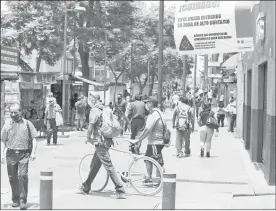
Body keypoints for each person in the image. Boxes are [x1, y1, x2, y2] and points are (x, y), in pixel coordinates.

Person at [79, 95, 126, 199]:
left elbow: (91, 126)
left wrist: (87, 138)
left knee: (108, 165)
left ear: (92, 101)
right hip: (107, 139)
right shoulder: (104, 108)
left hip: (100, 141)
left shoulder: (94, 111)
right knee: (96, 164)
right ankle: (86, 186)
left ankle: (120, 189)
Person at [1, 103, 37, 210]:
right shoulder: (6, 124)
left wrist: (33, 152)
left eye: (15, 112)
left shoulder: (27, 124)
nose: (13, 114)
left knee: (22, 176)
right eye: (11, 112)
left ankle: (22, 200)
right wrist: (1, 154)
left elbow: (34, 138)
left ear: (20, 112)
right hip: (10, 154)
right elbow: (2, 140)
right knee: (12, 178)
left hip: (24, 154)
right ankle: (15, 199)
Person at [130, 96, 165, 180]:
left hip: (154, 142)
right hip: (158, 141)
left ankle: (163, 180)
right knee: (148, 159)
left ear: (150, 104)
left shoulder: (153, 114)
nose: (146, 105)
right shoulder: (160, 112)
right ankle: (150, 177)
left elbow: (147, 129)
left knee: (157, 162)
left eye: (147, 103)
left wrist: (139, 139)